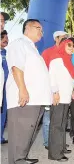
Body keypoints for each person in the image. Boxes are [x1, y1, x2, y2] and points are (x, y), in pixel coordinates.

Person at [6, 19, 52, 164]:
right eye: (39, 28)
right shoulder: (19, 43)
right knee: (21, 132)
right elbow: (16, 67)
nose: (41, 32)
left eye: (42, 30)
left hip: (36, 99)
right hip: (25, 97)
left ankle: (22, 157)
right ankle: (18, 159)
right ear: (28, 28)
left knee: (28, 132)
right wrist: (22, 90)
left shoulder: (32, 48)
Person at [48, 38, 74, 162]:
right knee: (56, 125)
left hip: (66, 96)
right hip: (58, 96)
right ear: (63, 45)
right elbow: (51, 77)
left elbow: (69, 79)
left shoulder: (69, 61)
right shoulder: (56, 60)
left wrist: (72, 91)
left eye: (73, 45)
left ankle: (62, 147)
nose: (71, 47)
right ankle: (55, 154)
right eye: (68, 45)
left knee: (63, 124)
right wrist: (55, 92)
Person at [41, 31, 69, 150]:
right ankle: (48, 142)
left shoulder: (67, 53)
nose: (65, 40)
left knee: (61, 118)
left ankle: (58, 142)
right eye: (63, 38)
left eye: (66, 38)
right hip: (51, 89)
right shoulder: (47, 52)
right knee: (48, 117)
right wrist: (52, 90)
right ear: (56, 39)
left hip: (64, 90)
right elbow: (44, 72)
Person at [1, 30, 9, 144]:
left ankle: (0, 136)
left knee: (3, 113)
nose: (6, 39)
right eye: (3, 37)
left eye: (7, 37)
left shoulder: (7, 53)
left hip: (6, 88)